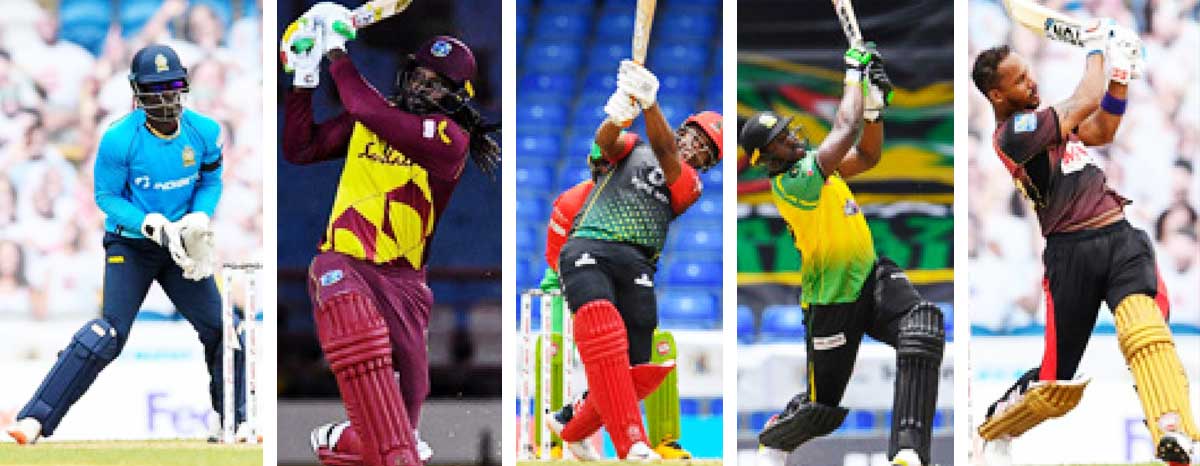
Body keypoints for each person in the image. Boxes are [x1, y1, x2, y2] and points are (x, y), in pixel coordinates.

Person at [279, 4, 500, 465]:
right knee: (370, 365)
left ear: (457, 96)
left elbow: (363, 104)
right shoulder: (372, 117)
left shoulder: (449, 139)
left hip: (405, 283)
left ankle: (341, 439)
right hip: (344, 262)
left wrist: (336, 54)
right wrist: (302, 78)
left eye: (435, 83)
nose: (421, 85)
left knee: (400, 427)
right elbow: (299, 149)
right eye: (419, 75)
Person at [970, 19, 1197, 464]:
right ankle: (996, 423)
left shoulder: (1049, 123)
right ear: (997, 96)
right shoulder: (1014, 135)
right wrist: (1096, 49)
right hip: (1071, 254)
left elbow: (1104, 128)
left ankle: (1173, 433)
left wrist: (1121, 76)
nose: (1030, 81)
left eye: (1028, 72)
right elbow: (1085, 99)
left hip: (1119, 236)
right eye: (1019, 80)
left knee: (1146, 332)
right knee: (1056, 385)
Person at [5, 43, 231, 444]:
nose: (164, 98)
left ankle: (233, 421)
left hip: (181, 245)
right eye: (153, 89)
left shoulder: (205, 131)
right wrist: (149, 224)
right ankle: (35, 419)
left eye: (171, 86)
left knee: (224, 331)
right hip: (132, 245)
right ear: (135, 91)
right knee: (108, 332)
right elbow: (107, 198)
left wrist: (198, 216)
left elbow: (210, 180)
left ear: (185, 85)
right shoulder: (118, 139)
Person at [737, 42, 944, 466]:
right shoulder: (793, 183)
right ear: (765, 159)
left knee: (922, 328)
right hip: (832, 299)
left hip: (872, 275)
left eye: (788, 130)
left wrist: (873, 110)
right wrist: (854, 74)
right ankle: (774, 441)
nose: (792, 137)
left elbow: (868, 154)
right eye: (780, 139)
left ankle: (907, 451)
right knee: (822, 409)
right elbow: (845, 128)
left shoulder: (817, 166)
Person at [543, 56, 722, 461]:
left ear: (709, 165)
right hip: (589, 245)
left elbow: (666, 155)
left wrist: (649, 103)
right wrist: (617, 116)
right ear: (683, 130)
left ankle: (571, 426)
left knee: (638, 367)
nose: (695, 149)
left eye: (706, 151)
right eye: (694, 137)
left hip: (638, 264)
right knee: (603, 326)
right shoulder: (635, 147)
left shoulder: (690, 185)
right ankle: (630, 442)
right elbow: (605, 144)